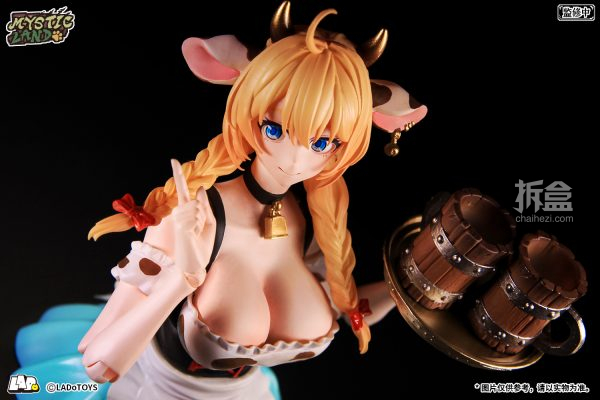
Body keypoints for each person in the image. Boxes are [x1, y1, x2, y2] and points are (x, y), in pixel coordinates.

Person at [14, 3, 427, 399]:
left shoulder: (307, 224)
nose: (294, 159)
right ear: (250, 113)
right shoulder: (196, 215)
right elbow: (97, 362)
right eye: (274, 129)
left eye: (322, 142)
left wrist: (416, 286)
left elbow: (344, 308)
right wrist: (181, 280)